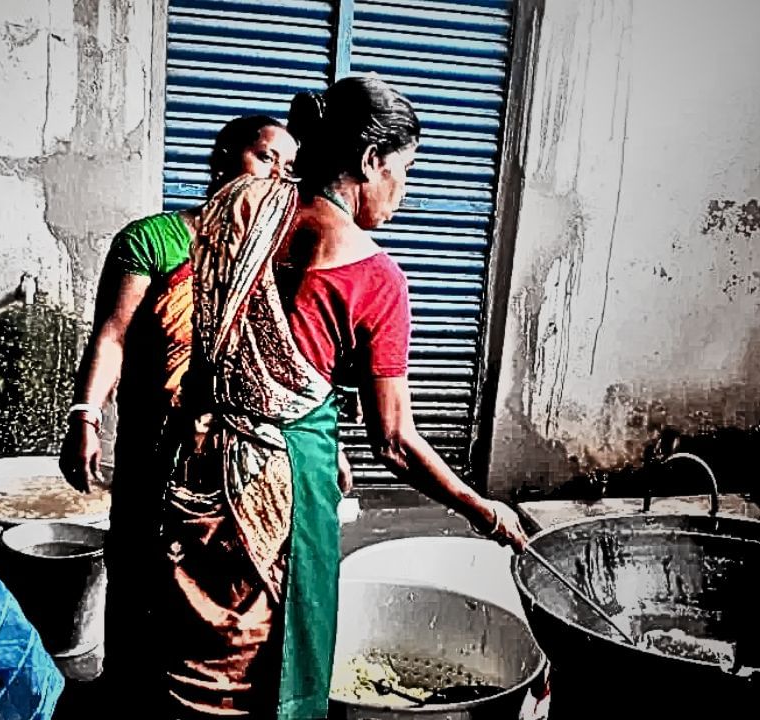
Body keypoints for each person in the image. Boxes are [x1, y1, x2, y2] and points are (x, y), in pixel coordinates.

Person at [153, 76, 530, 719]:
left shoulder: (241, 207)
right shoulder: (376, 278)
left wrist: (312, 419)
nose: (403, 196)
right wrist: (483, 510)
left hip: (194, 461)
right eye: (402, 173)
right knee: (271, 658)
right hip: (283, 486)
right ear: (368, 162)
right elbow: (395, 441)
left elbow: (240, 350)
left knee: (193, 643)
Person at [58, 114, 309, 696]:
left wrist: (324, 444)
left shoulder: (279, 259)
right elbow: (113, 335)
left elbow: (295, 363)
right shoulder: (155, 239)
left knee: (226, 601)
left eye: (290, 169)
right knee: (142, 576)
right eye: (266, 157)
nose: (276, 176)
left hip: (239, 463)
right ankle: (129, 696)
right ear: (223, 158)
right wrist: (86, 416)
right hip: (157, 446)